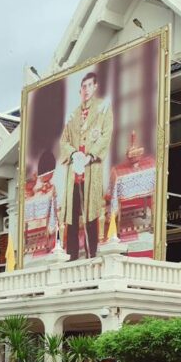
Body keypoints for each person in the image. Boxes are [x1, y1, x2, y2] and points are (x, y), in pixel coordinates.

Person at [60, 71, 113, 261]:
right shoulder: (73, 115)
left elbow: (106, 135)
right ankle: (72, 256)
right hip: (74, 173)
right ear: (80, 89)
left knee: (91, 213)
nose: (86, 90)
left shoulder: (103, 108)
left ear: (95, 86)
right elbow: (64, 141)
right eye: (83, 86)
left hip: (91, 169)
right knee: (72, 217)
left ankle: (92, 255)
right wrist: (73, 154)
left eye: (90, 85)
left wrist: (91, 155)